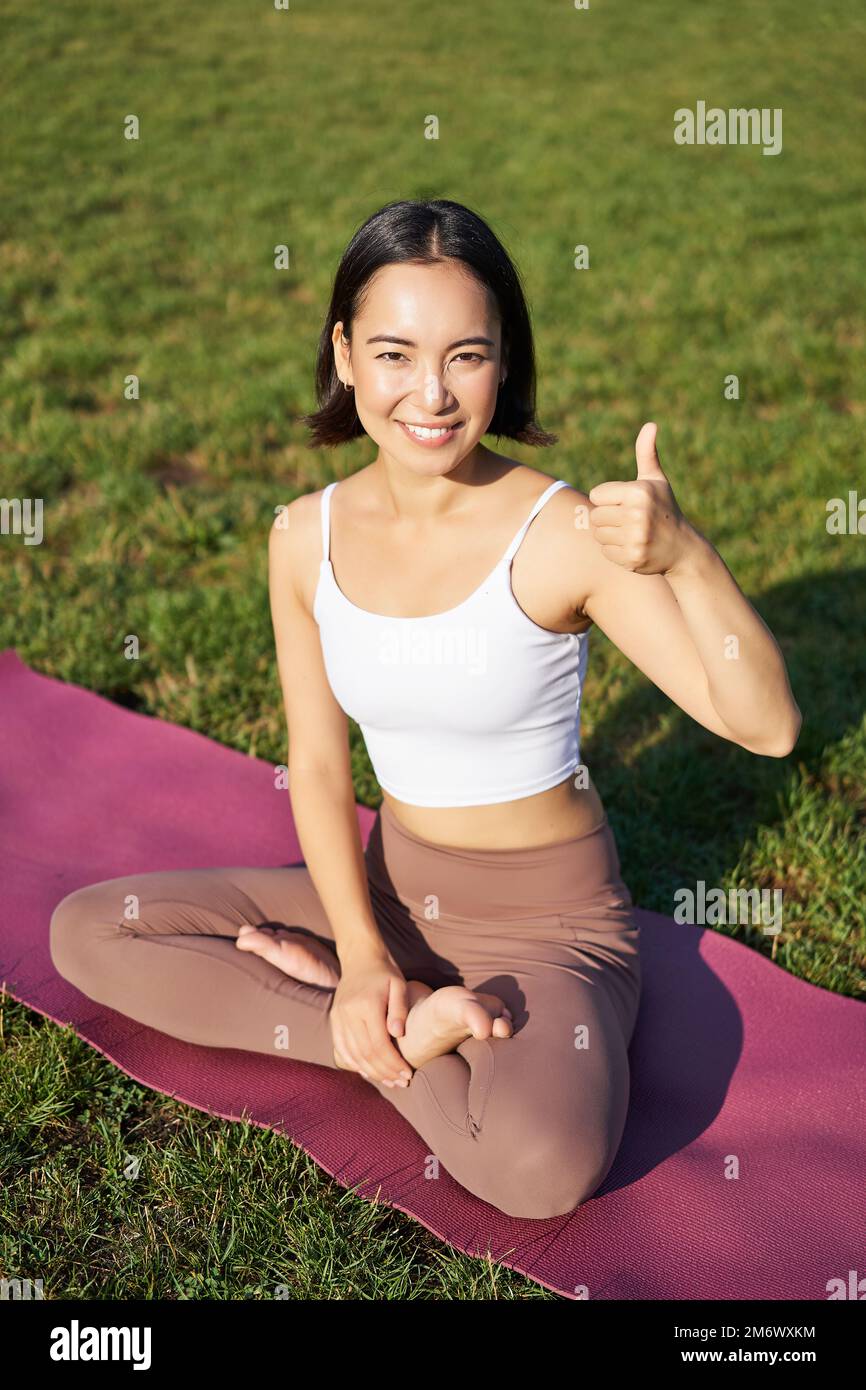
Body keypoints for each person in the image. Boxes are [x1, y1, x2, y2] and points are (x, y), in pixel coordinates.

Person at [49, 198, 802, 1220]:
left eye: (467, 355)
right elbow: (315, 767)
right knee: (92, 931)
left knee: (540, 1169)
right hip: (390, 892)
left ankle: (373, 1036)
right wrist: (360, 965)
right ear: (345, 353)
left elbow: (763, 726)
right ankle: (391, 1029)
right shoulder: (300, 535)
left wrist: (687, 558)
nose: (431, 395)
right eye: (396, 353)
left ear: (504, 363)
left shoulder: (560, 531)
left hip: (550, 929)